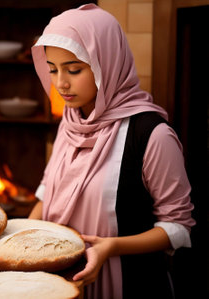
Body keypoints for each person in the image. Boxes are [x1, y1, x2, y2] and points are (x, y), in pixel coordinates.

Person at [28, 4, 195, 299]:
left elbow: (178, 228)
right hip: (66, 284)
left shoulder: (152, 135)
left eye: (74, 69)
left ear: (107, 62)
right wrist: (21, 241)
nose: (60, 83)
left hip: (132, 287)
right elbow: (49, 191)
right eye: (53, 70)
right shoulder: (71, 121)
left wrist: (112, 247)